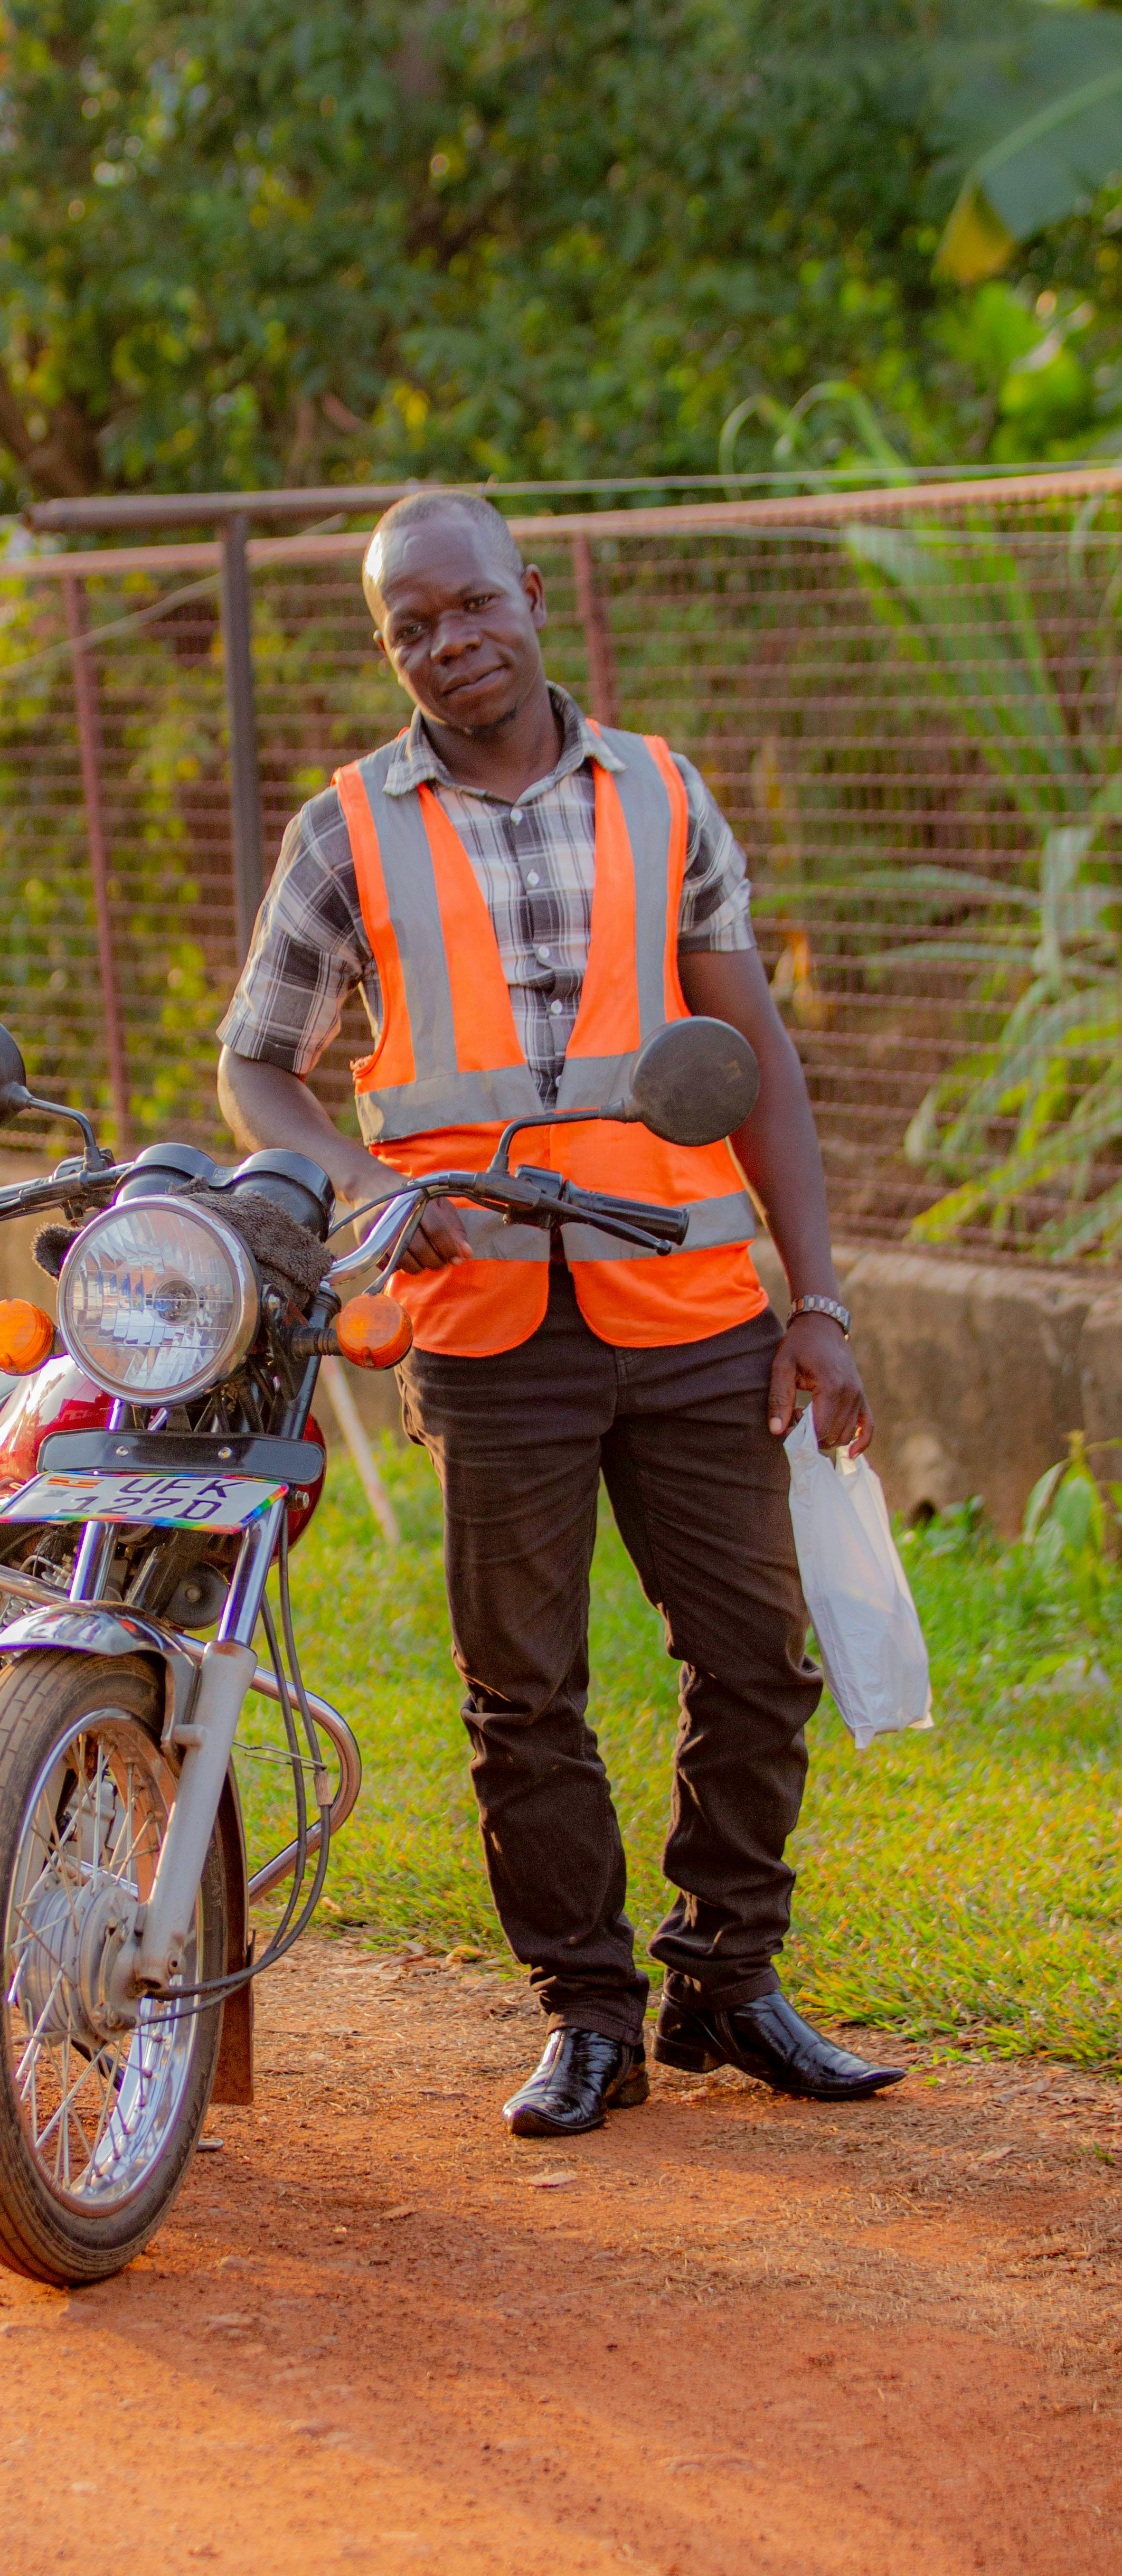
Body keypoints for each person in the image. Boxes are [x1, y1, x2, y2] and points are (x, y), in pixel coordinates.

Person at [216, 489, 903, 2137]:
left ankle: (727, 1981)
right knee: (522, 1693)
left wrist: (817, 1302)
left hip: (688, 1303)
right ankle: (588, 2014)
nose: (450, 644)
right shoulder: (346, 830)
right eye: (411, 627)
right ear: (391, 647)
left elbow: (758, 1066)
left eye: (470, 607)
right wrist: (373, 1193)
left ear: (529, 595)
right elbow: (259, 1065)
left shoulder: (664, 797)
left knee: (757, 1661)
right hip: (479, 1329)